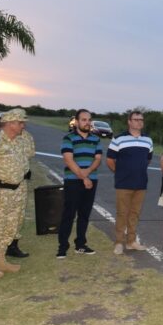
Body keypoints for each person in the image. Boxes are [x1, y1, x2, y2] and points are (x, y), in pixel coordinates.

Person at [0, 108, 33, 279]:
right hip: (1, 192)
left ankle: (0, 258)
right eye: (20, 122)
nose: (22, 125)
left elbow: (26, 160)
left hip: (18, 191)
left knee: (11, 226)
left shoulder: (19, 141)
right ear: (10, 124)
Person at [106, 110, 154, 255]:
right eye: (136, 119)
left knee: (135, 214)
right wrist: (120, 173)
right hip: (123, 184)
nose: (139, 122)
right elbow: (109, 160)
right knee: (122, 213)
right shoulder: (119, 139)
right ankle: (119, 242)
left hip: (141, 184)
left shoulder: (148, 140)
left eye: (141, 120)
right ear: (129, 121)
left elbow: (148, 159)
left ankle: (131, 242)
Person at [58, 109, 102, 259]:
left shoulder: (96, 139)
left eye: (89, 120)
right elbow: (69, 160)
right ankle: (62, 247)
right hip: (73, 181)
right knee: (68, 214)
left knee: (84, 214)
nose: (87, 123)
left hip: (91, 180)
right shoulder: (68, 138)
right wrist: (84, 178)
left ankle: (80, 245)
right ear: (76, 122)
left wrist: (88, 173)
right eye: (83, 120)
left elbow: (97, 160)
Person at [5, 126, 36, 259]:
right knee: (0, 216)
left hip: (21, 182)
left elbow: (30, 153)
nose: (22, 124)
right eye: (19, 121)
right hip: (4, 184)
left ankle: (12, 245)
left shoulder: (27, 136)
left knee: (18, 215)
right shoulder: (1, 135)